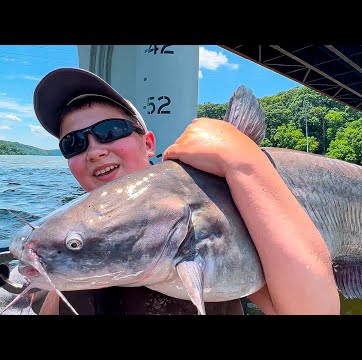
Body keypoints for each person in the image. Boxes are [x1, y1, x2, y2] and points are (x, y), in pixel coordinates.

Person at [30, 67, 339, 315]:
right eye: (74, 143)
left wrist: (244, 163)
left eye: (110, 131)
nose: (94, 151)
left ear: (148, 143)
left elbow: (313, 309)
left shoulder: (216, 206)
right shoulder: (63, 255)